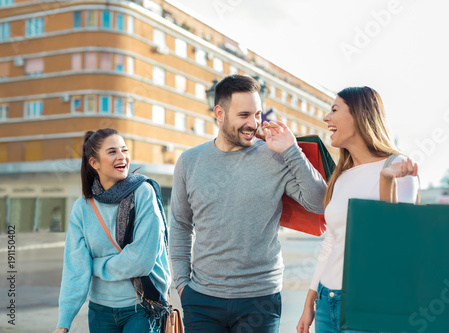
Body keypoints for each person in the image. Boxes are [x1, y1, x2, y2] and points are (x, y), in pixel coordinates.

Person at [169, 74, 327, 332]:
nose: (253, 124)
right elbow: (179, 224)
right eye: (244, 115)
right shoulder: (189, 161)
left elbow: (320, 203)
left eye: (258, 114)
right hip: (201, 300)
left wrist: (292, 150)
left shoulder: (274, 156)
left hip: (260, 300)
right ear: (219, 113)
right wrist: (183, 285)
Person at [296, 86, 419, 333]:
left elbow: (394, 237)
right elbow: (330, 243)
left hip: (369, 302)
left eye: (334, 109)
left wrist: (386, 180)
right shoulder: (341, 177)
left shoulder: (397, 166)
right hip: (326, 302)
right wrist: (309, 303)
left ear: (360, 115)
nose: (325, 118)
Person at [53, 128, 170, 333]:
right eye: (112, 151)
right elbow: (75, 268)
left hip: (141, 308)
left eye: (124, 150)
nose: (122, 157)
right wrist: (63, 322)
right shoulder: (82, 208)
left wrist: (95, 266)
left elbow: (141, 260)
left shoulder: (143, 193)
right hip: (100, 311)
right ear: (94, 163)